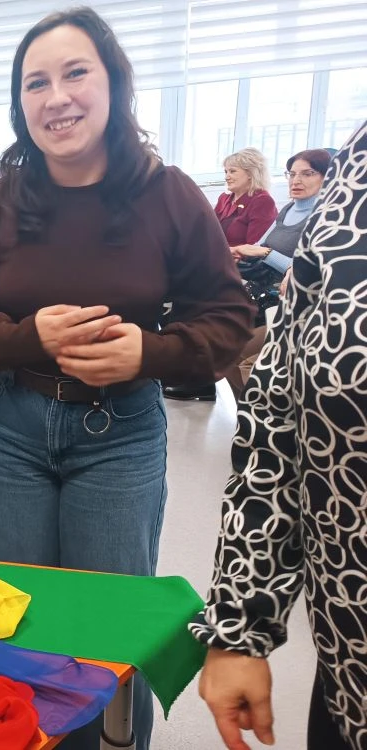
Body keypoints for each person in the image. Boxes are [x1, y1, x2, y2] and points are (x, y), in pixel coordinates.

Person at [0, 8, 253, 749]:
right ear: (20, 103)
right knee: (22, 614)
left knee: (110, 623)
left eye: (76, 73)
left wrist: (151, 353)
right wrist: (26, 337)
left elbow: (231, 318)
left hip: (120, 430)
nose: (56, 97)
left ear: (114, 85)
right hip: (7, 424)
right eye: (35, 83)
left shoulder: (167, 194)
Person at [191, 120, 367, 750]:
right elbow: (276, 429)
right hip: (351, 663)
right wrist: (239, 626)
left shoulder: (265, 204)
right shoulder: (353, 175)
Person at [164, 147, 277, 402]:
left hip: (243, 270)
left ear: (251, 173)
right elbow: (208, 233)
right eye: (226, 171)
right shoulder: (225, 200)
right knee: (180, 295)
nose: (227, 176)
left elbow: (255, 246)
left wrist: (224, 252)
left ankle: (198, 377)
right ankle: (181, 367)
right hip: (219, 263)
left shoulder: (262, 201)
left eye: (233, 171)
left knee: (194, 303)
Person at [224, 148, 331, 399]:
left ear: (328, 177)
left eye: (307, 173)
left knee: (246, 363)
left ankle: (264, 411)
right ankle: (248, 412)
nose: (296, 180)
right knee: (225, 355)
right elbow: (261, 245)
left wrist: (265, 253)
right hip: (269, 299)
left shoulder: (326, 217)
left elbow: (311, 272)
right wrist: (241, 252)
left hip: (298, 309)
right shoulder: (288, 210)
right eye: (292, 174)